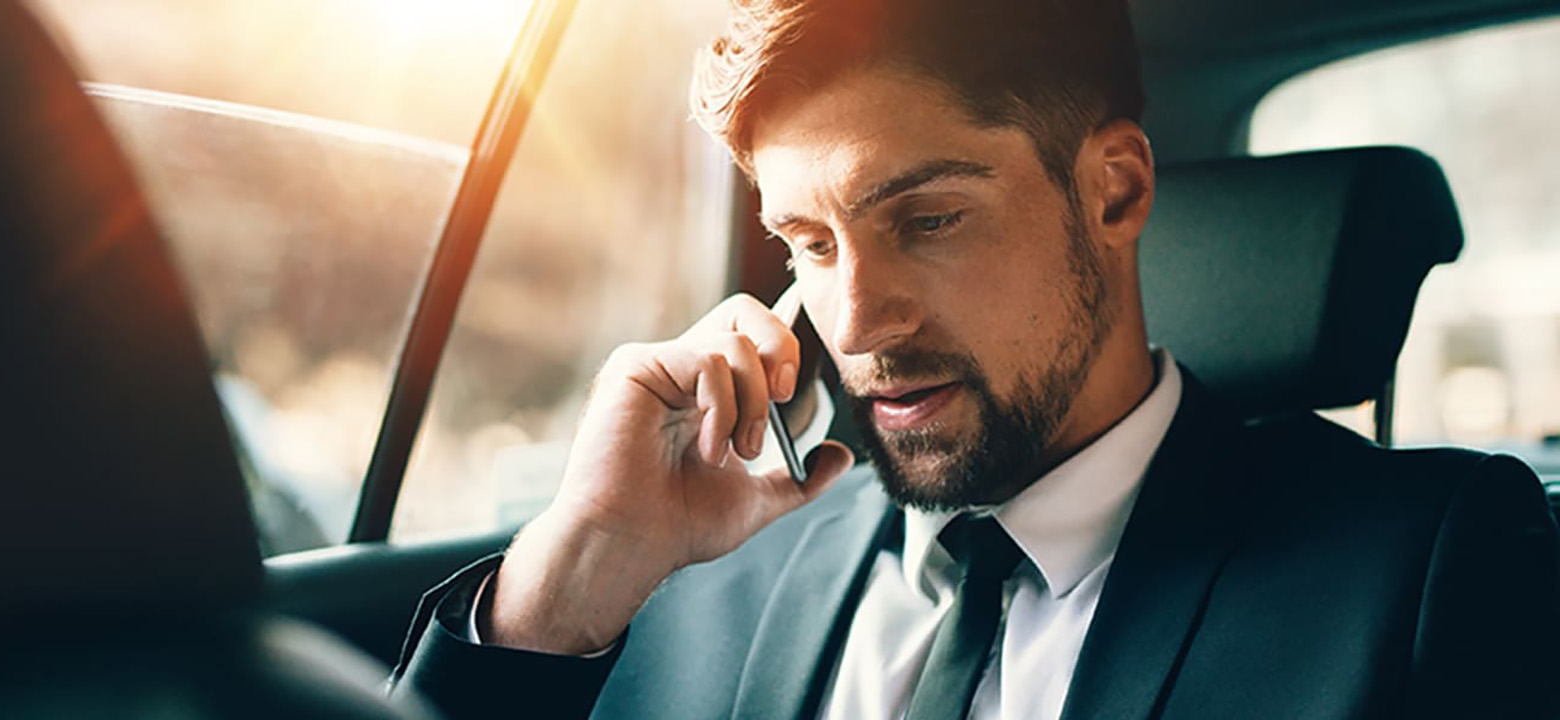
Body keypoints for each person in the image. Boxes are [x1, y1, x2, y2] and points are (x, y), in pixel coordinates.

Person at [387, 0, 1560, 717]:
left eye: (927, 220)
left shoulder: (1420, 569)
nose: (856, 321)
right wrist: (572, 575)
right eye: (807, 243)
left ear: (1115, 191)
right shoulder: (695, 573)